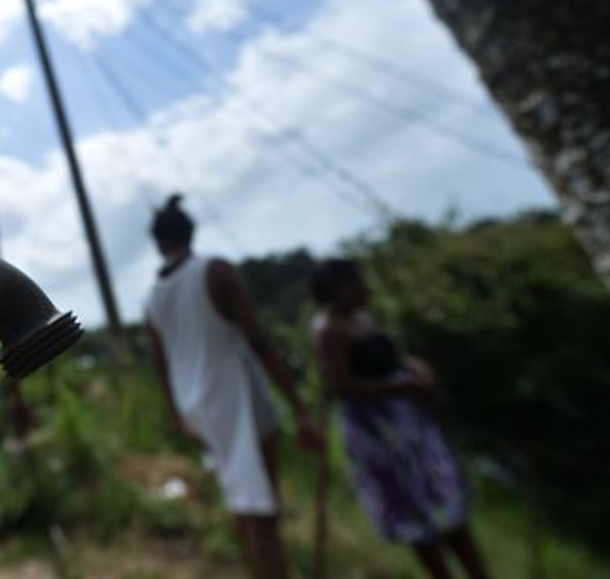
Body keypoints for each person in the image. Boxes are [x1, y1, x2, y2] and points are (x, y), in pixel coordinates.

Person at [144, 194, 320, 579]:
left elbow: (160, 362)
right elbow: (256, 339)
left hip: (198, 410)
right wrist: (299, 407)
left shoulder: (153, 298)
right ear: (190, 232)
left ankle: (257, 567)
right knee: (264, 509)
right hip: (237, 400)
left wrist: (177, 415)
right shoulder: (215, 271)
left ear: (158, 242)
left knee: (242, 500)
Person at [309, 258, 492, 579]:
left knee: (448, 509)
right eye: (357, 281)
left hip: (411, 429)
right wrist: (405, 384)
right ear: (339, 288)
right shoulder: (328, 329)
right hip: (381, 438)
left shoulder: (361, 316)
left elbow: (386, 360)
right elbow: (342, 386)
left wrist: (415, 368)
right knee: (417, 517)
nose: (366, 286)